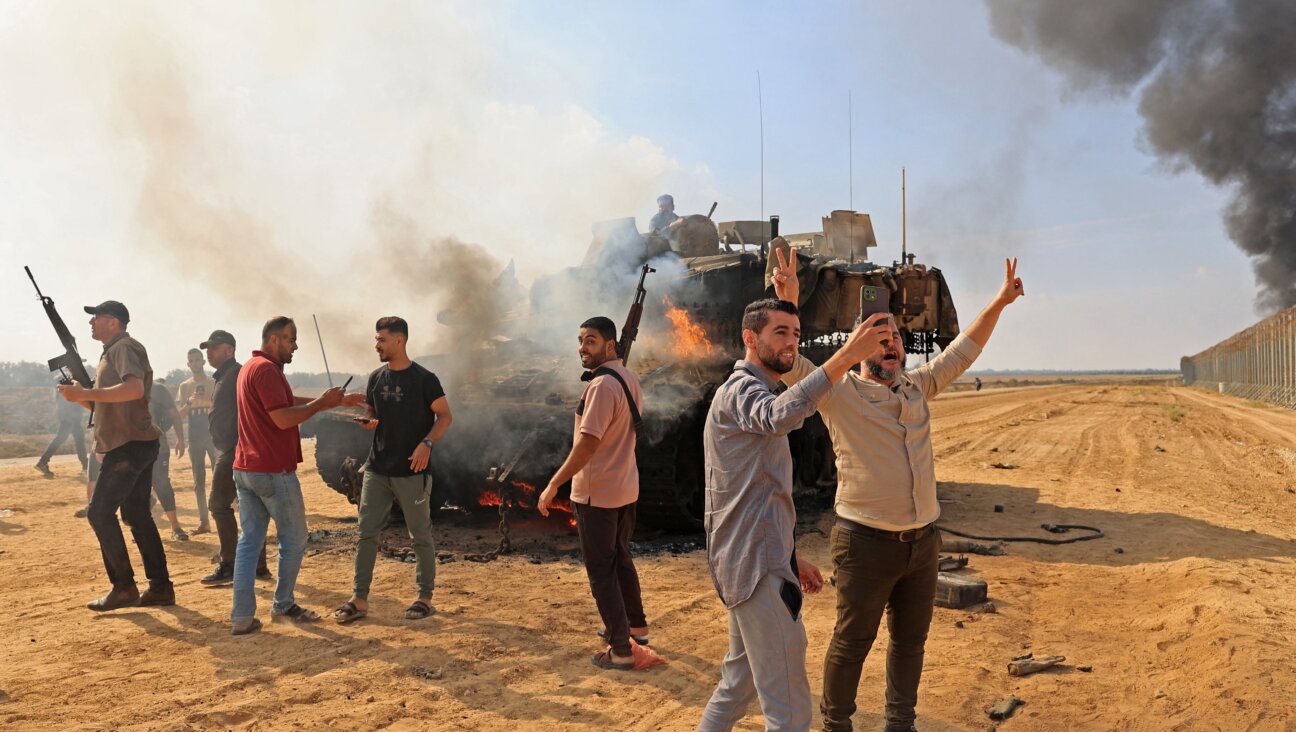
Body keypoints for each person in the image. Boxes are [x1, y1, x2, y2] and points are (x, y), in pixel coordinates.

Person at [772, 253, 1025, 732]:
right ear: (858, 347)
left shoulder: (916, 387)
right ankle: (836, 725)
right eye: (879, 339)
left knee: (911, 644)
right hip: (866, 543)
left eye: (897, 340)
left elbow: (965, 350)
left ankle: (900, 724)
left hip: (923, 544)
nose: (891, 346)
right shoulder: (838, 393)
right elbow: (792, 365)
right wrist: (787, 302)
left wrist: (999, 302)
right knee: (852, 642)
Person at [697, 297, 890, 732]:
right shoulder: (742, 392)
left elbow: (757, 493)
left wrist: (788, 554)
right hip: (754, 566)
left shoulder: (755, 388)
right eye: (780, 332)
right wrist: (846, 358)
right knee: (790, 712)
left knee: (738, 686)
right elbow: (778, 417)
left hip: (757, 558)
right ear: (750, 338)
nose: (791, 343)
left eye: (796, 334)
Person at [230, 316, 362, 635]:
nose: (295, 346)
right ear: (273, 340)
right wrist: (322, 403)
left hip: (245, 469)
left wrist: (334, 402)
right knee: (295, 538)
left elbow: (285, 403)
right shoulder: (267, 370)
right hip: (272, 470)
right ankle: (284, 603)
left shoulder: (251, 367)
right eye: (291, 339)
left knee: (249, 542)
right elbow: (283, 419)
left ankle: (242, 616)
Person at [537, 316, 649, 671]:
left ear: (610, 345)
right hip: (624, 488)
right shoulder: (628, 378)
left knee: (601, 571)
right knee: (621, 559)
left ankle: (620, 650)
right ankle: (636, 627)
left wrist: (555, 482)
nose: (583, 348)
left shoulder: (602, 386)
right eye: (581, 340)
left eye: (591, 341)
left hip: (597, 493)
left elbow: (588, 444)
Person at [334, 317, 453, 624]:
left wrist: (427, 443)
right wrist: (369, 421)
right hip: (377, 468)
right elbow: (375, 415)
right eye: (376, 340)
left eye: (381, 340)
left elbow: (444, 417)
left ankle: (425, 597)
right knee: (366, 533)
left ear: (399, 340)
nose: (377, 345)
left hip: (412, 470)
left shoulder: (425, 379)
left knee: (420, 535)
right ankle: (359, 599)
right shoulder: (375, 377)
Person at [58, 300, 174, 611]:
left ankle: (123, 588)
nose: (91, 323)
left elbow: (134, 390)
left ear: (113, 321)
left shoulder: (123, 347)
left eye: (96, 317)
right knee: (136, 515)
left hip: (129, 445)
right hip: (133, 442)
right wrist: (80, 395)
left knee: (99, 513)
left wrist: (85, 393)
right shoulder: (110, 354)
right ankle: (160, 587)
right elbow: (104, 405)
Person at [198, 329, 270, 586]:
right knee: (250, 508)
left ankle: (229, 563)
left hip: (235, 449)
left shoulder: (236, 374)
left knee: (219, 505)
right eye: (208, 348)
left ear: (229, 350)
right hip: (231, 448)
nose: (209, 352)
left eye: (214, 348)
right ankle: (258, 565)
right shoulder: (224, 376)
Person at [178, 348, 216, 534]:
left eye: (197, 360)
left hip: (213, 435)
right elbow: (179, 415)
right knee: (198, 482)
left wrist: (208, 400)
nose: (194, 363)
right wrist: (190, 401)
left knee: (220, 478)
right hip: (194, 437)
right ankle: (204, 522)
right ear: (188, 364)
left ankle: (225, 518)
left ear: (203, 362)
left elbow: (221, 408)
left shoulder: (213, 382)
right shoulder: (184, 386)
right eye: (191, 360)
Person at [148, 378, 190, 541]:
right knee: (140, 488)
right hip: (132, 449)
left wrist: (180, 439)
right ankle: (144, 529)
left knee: (162, 484)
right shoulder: (123, 388)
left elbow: (174, 415)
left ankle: (175, 527)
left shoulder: (158, 389)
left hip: (158, 446)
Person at [36, 369, 89, 479]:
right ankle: (43, 461)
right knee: (69, 438)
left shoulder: (58, 377)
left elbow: (57, 397)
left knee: (75, 437)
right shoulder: (71, 376)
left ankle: (85, 465)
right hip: (71, 412)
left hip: (65, 412)